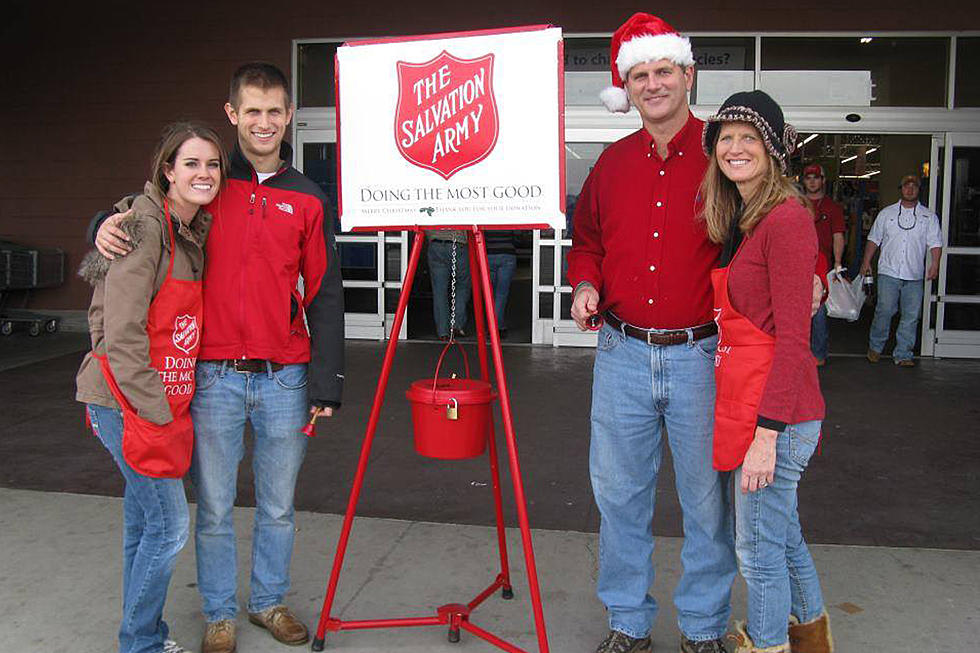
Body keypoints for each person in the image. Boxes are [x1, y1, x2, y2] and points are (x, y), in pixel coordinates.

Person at [91, 62, 345, 653]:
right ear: (233, 114)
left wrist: (327, 381)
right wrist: (98, 225)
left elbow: (325, 292)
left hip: (285, 376)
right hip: (212, 377)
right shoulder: (204, 183)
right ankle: (219, 613)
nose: (263, 122)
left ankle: (268, 602)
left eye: (274, 111)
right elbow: (142, 213)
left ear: (289, 117)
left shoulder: (309, 198)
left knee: (278, 507)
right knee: (214, 507)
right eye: (250, 111)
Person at [567, 13, 736, 653]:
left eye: (663, 70)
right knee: (620, 500)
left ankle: (701, 628)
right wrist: (585, 284)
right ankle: (628, 623)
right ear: (626, 88)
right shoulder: (610, 165)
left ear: (687, 74)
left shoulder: (725, 153)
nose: (653, 83)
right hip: (622, 355)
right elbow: (587, 244)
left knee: (706, 504)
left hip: (702, 356)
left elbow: (768, 227)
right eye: (639, 75)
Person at [76, 122, 226, 653]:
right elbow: (120, 334)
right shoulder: (142, 228)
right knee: (168, 527)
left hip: (154, 403)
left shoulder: (187, 231)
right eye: (191, 163)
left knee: (143, 525)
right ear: (167, 171)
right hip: (128, 403)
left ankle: (142, 636)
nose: (204, 173)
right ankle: (140, 642)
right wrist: (157, 412)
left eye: (212, 164)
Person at [700, 90, 833, 653]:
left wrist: (767, 437)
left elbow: (795, 342)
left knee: (757, 552)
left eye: (748, 137)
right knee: (784, 539)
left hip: (778, 418)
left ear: (773, 148)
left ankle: (771, 643)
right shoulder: (744, 219)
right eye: (725, 137)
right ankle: (812, 641)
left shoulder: (786, 220)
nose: (735, 148)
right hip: (762, 408)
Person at [861, 174, 941, 367]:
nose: (910, 189)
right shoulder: (886, 214)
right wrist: (866, 262)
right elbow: (874, 239)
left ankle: (903, 353)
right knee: (884, 310)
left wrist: (935, 264)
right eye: (907, 185)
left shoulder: (928, 217)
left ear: (919, 189)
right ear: (901, 188)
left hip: (914, 275)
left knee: (911, 316)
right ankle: (875, 346)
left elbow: (935, 243)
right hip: (889, 272)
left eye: (914, 186)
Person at [802, 164, 846, 366]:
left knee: (818, 312)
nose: (812, 181)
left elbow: (838, 236)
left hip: (822, 266)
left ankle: (818, 354)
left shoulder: (833, 207)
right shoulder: (795, 204)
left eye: (816, 177)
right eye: (808, 177)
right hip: (797, 265)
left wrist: (837, 264)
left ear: (823, 180)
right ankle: (798, 353)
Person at [427, 229, 471, 338]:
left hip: (436, 244)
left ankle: (443, 331)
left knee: (439, 290)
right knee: (462, 285)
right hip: (458, 243)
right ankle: (457, 324)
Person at [484, 229, 518, 337]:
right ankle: (496, 327)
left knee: (491, 294)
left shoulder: (486, 215)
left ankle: (495, 325)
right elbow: (518, 237)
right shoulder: (510, 214)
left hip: (488, 255)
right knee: (501, 294)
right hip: (507, 255)